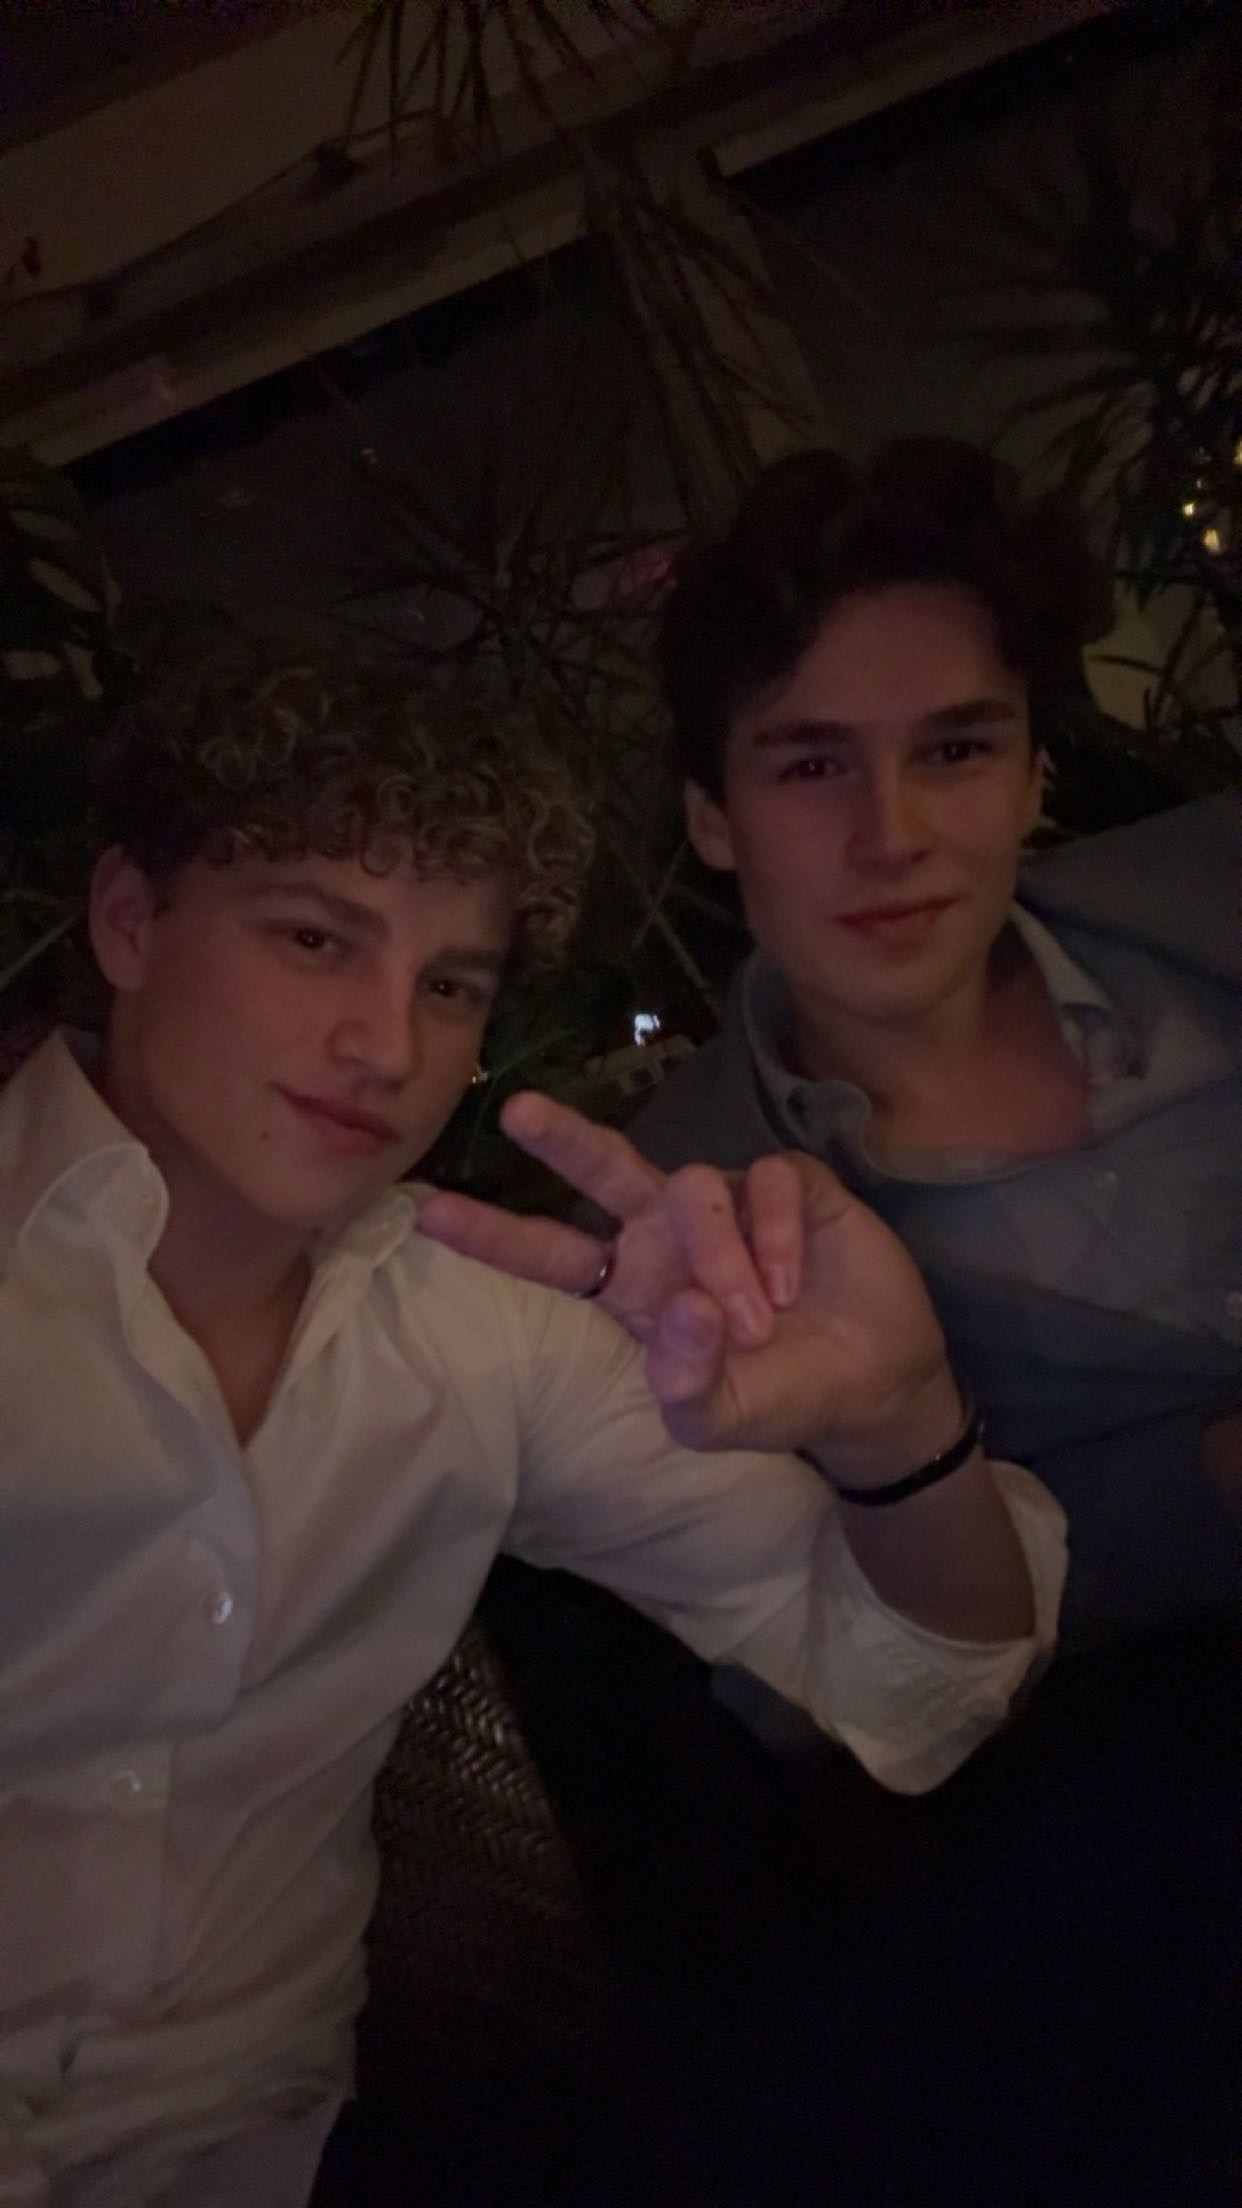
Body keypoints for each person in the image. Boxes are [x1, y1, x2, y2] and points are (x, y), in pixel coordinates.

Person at [0, 641, 1064, 2208]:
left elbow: (919, 1674)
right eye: (315, 938)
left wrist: (895, 1416)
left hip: (272, 2160)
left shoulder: (476, 1333)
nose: (385, 1047)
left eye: (448, 987)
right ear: (129, 922)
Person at [631, 437, 1242, 1647]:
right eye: (814, 765)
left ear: (1033, 777)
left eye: (955, 750)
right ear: (713, 818)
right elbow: (810, 1664)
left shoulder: (1213, 892)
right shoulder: (671, 1216)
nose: (891, 836)